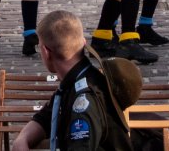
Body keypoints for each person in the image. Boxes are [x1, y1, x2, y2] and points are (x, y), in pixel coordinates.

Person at [10, 10, 133, 151]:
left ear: (45, 52)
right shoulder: (78, 80)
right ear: (83, 42)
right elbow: (47, 116)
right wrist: (22, 139)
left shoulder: (84, 100)